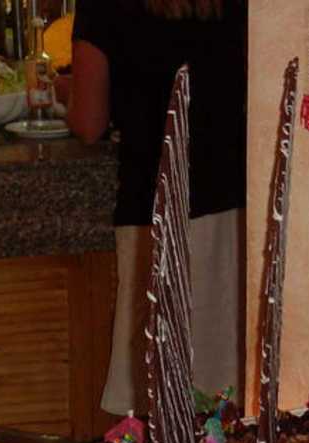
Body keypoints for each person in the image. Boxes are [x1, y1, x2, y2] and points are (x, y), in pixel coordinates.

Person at [67, 0, 247, 416]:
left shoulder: (103, 8)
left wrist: (65, 95)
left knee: (157, 386)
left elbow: (89, 124)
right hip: (229, 204)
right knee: (225, 384)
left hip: (152, 205)